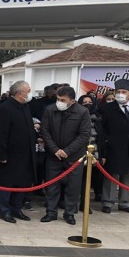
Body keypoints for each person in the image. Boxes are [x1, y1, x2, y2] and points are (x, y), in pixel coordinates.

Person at [39, 86, 91, 225]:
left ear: (72, 101)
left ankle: (69, 213)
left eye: (63, 100)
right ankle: (51, 212)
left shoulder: (82, 112)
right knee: (51, 185)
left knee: (73, 186)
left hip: (74, 156)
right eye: (58, 99)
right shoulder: (50, 110)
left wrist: (67, 151)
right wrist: (55, 149)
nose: (59, 102)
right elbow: (45, 130)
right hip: (53, 155)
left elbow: (84, 135)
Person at [0, 80, 36, 223]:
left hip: (25, 154)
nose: (29, 94)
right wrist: (2, 155)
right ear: (20, 93)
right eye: (28, 91)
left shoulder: (25, 107)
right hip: (10, 155)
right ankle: (5, 210)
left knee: (22, 183)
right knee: (8, 184)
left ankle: (17, 209)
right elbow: (0, 134)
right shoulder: (6, 108)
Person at [98, 78, 129, 213]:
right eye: (118, 91)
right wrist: (103, 151)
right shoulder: (106, 109)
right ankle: (108, 202)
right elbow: (102, 132)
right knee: (112, 176)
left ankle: (124, 202)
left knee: (128, 175)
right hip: (113, 148)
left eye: (124, 92)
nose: (120, 94)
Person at [78, 94, 103, 205]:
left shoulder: (98, 117)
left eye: (89, 102)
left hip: (94, 153)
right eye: (84, 102)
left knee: (90, 180)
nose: (87, 104)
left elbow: (101, 137)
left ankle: (85, 204)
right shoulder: (77, 115)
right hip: (79, 151)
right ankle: (77, 203)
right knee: (80, 180)